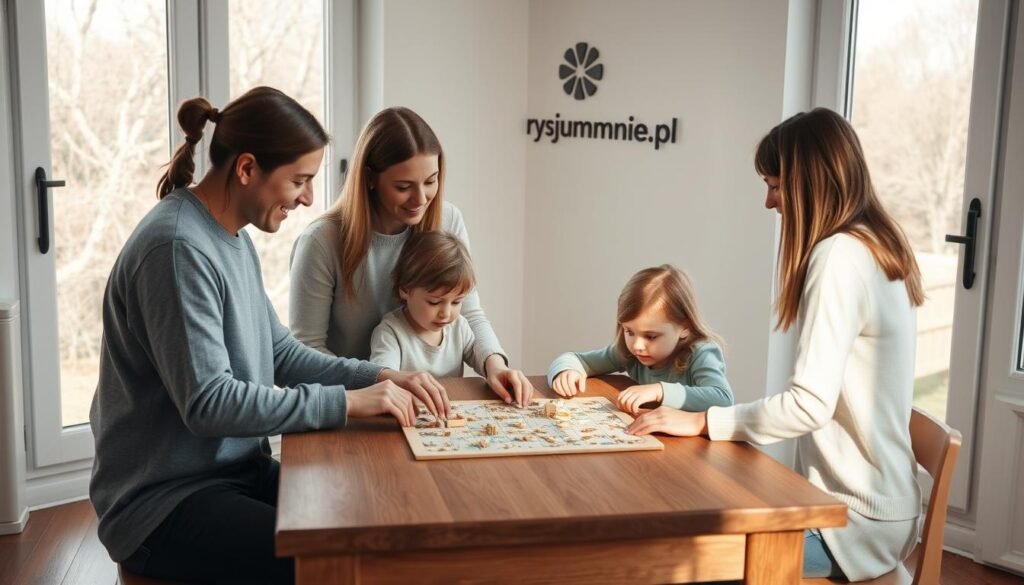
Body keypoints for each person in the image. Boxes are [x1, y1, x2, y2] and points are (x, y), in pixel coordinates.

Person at [89, 87, 448, 585]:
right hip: (165, 503)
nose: (307, 198)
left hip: (233, 475)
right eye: (299, 180)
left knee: (373, 519)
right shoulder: (177, 249)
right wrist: (346, 404)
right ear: (247, 168)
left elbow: (278, 350)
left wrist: (381, 376)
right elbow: (210, 403)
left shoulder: (230, 236)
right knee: (338, 560)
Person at [626, 108, 924, 581]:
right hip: (887, 508)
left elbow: (809, 406)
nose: (769, 202)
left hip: (851, 524)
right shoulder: (876, 244)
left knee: (676, 563)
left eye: (776, 185)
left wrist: (704, 420)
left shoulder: (840, 258)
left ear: (810, 183)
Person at [289, 106, 533, 406]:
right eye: (404, 187)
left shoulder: (447, 220)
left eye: (431, 181)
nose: (421, 200)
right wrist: (371, 389)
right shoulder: (321, 241)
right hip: (350, 409)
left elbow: (468, 311)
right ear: (369, 178)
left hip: (429, 411)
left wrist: (495, 364)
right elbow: (305, 352)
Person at [547, 264, 733, 415]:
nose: (637, 345)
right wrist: (566, 371)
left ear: (684, 327)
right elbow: (577, 359)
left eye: (650, 336)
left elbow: (722, 399)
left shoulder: (702, 352)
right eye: (629, 331)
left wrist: (659, 390)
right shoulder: (629, 352)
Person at [370, 230, 488, 378]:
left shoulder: (459, 327)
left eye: (456, 302)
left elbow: (482, 356)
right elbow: (383, 377)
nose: (446, 313)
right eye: (434, 302)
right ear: (405, 289)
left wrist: (497, 368)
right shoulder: (390, 332)